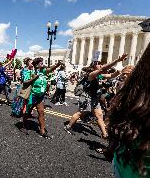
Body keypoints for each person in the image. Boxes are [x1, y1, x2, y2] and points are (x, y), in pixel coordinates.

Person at [108, 44, 150, 178]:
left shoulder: (135, 87)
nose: (125, 76)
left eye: (127, 75)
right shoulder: (133, 88)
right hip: (127, 165)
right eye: (124, 75)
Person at [63, 54, 128, 139]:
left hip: (94, 98)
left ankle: (105, 134)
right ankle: (68, 126)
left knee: (99, 115)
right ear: (94, 66)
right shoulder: (91, 74)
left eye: (101, 64)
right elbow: (103, 69)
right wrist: (117, 60)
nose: (101, 65)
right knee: (80, 113)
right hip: (87, 98)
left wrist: (119, 71)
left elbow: (111, 76)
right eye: (99, 64)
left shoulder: (99, 75)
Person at [22, 58, 61, 139]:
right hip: (32, 96)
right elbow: (25, 82)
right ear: (36, 65)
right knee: (28, 112)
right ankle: (24, 125)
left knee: (41, 112)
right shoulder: (30, 72)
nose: (42, 64)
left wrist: (57, 65)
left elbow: (50, 69)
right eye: (41, 63)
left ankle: (42, 131)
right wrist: (33, 78)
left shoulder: (42, 72)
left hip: (40, 96)